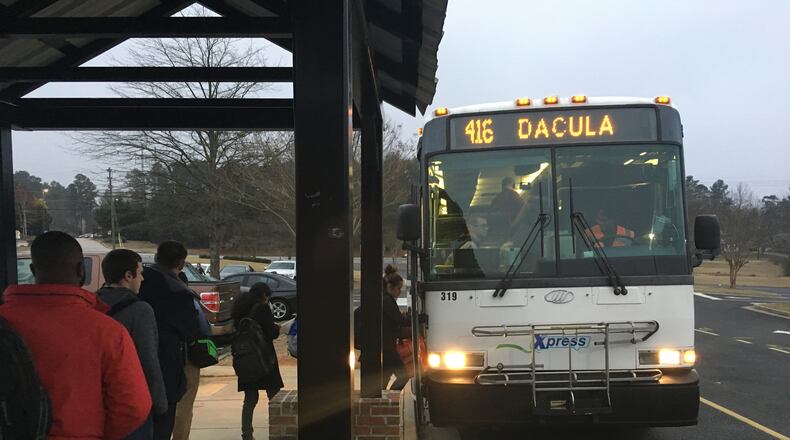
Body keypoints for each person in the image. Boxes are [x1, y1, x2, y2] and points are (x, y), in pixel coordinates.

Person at [0, 231, 151, 439]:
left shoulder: (5, 321)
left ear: (34, 270)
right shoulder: (107, 331)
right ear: (82, 270)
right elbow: (133, 407)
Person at [97, 249, 168, 440]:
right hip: (131, 404)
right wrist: (160, 404)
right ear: (128, 276)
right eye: (140, 273)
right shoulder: (140, 310)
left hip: (97, 402)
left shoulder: (92, 305)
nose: (142, 279)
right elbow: (148, 359)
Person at [138, 241, 203, 440]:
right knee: (176, 410)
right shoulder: (179, 293)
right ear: (181, 264)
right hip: (172, 361)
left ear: (156, 258)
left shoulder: (138, 284)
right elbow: (193, 329)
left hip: (136, 361)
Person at [231, 282, 284, 440]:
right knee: (274, 396)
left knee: (250, 399)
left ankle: (247, 435)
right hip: (264, 358)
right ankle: (278, 431)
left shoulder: (240, 310)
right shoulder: (261, 309)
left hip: (245, 360)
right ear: (263, 295)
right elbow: (271, 333)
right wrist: (277, 328)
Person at [381, 265, 411, 391]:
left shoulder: (386, 300)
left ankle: (385, 397)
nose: (399, 292)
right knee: (403, 376)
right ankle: (392, 397)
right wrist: (419, 318)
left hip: (386, 345)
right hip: (388, 347)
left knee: (384, 378)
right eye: (398, 288)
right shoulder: (387, 301)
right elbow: (399, 320)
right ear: (390, 287)